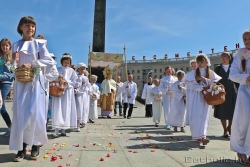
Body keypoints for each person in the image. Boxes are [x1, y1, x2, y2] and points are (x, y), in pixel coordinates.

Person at [10, 16, 56, 161]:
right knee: (21, 115)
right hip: (21, 83)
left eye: (33, 26)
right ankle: (21, 148)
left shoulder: (39, 44)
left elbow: (48, 60)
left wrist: (32, 64)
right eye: (27, 26)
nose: (30, 29)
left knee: (35, 113)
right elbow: (12, 68)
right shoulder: (16, 45)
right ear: (21, 28)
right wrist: (14, 61)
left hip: (36, 83)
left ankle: (36, 144)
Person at [184, 54, 221, 145]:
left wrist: (203, 79)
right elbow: (188, 84)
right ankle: (197, 136)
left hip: (206, 97)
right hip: (195, 97)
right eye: (198, 62)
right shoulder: (193, 73)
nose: (200, 64)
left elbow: (214, 84)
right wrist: (199, 87)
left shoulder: (210, 72)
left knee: (204, 116)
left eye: (201, 62)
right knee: (196, 116)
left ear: (206, 62)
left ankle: (203, 136)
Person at [229, 30, 250, 165]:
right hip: (245, 92)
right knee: (243, 123)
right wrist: (247, 78)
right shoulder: (240, 55)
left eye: (249, 39)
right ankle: (240, 149)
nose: (247, 42)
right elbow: (232, 74)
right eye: (245, 39)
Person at [51, 53, 77, 137]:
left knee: (66, 109)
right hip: (58, 91)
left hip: (67, 92)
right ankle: (56, 129)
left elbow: (74, 81)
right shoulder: (57, 69)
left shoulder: (71, 71)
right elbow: (52, 78)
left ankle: (63, 128)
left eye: (68, 63)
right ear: (61, 62)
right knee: (58, 108)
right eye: (65, 62)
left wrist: (67, 82)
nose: (66, 64)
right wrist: (58, 78)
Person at [214, 52, 237, 138]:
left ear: (229, 58)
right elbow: (214, 81)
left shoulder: (234, 67)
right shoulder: (218, 68)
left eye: (225, 57)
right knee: (222, 112)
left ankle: (229, 127)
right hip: (221, 93)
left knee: (232, 112)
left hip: (232, 92)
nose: (223, 59)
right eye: (222, 57)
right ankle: (224, 130)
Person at [0, 38, 15, 136]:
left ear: (9, 47)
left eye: (6, 45)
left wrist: (1, 76)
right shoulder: (0, 58)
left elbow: (12, 74)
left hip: (5, 84)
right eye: (3, 45)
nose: (4, 47)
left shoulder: (11, 60)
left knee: (2, 106)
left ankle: (11, 127)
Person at [74, 63, 91, 130]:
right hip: (79, 94)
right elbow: (74, 85)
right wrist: (80, 83)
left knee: (84, 108)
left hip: (85, 95)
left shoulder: (86, 78)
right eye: (81, 69)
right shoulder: (76, 77)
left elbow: (89, 86)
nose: (83, 70)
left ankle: (83, 121)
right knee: (79, 108)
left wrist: (89, 89)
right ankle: (77, 124)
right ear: (78, 69)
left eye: (84, 69)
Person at [183, 59, 197, 126]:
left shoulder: (201, 73)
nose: (194, 67)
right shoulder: (188, 74)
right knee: (191, 108)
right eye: (192, 66)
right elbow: (183, 83)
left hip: (198, 93)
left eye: (195, 65)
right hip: (190, 93)